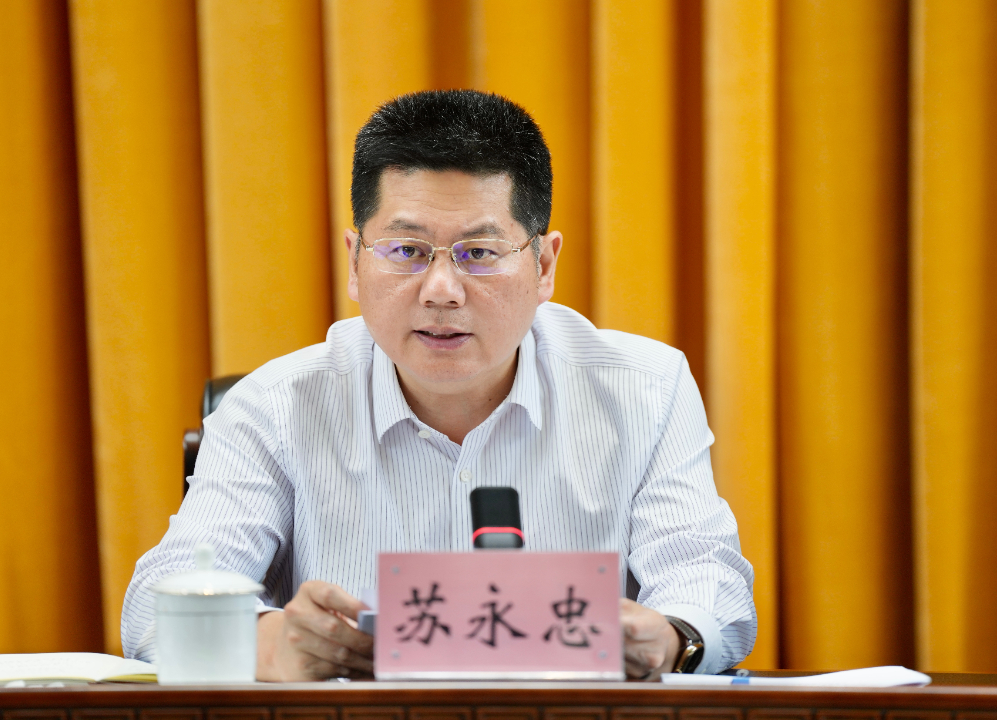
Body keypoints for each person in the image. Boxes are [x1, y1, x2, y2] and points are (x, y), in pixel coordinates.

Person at [122, 89, 756, 681]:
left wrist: (671, 637)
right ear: (354, 262)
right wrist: (269, 642)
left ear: (542, 266)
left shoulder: (645, 389)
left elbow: (707, 580)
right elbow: (155, 606)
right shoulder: (274, 406)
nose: (442, 291)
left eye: (479, 253)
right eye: (406, 250)